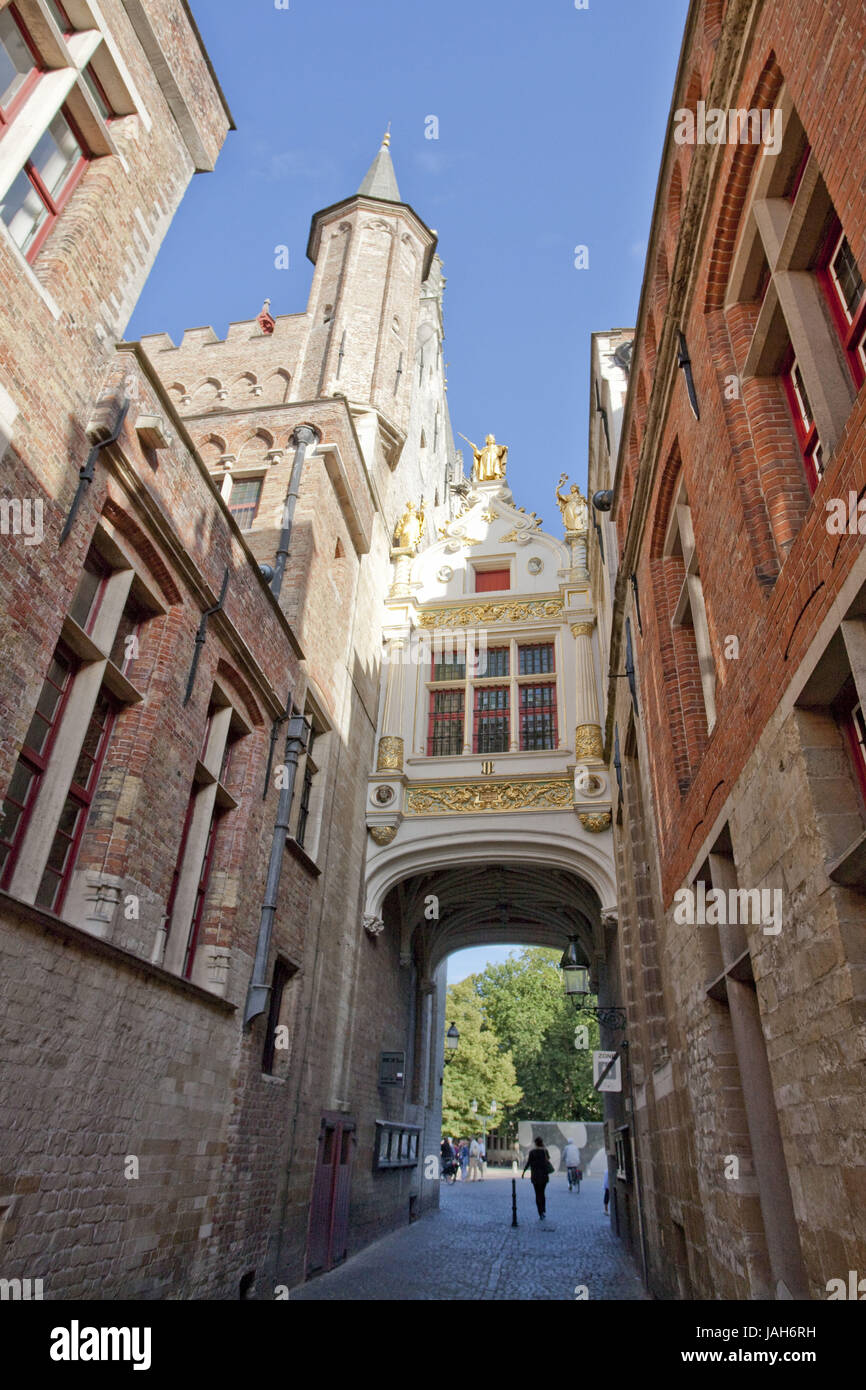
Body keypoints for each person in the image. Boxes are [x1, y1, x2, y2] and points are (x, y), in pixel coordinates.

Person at [522, 1136, 552, 1220]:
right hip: (544, 1175)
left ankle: (540, 1212)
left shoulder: (532, 1152)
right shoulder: (545, 1151)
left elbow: (528, 1163)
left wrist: (523, 1172)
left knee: (537, 1194)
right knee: (542, 1193)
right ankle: (543, 1210)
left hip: (535, 1176)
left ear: (535, 1143)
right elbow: (548, 1160)